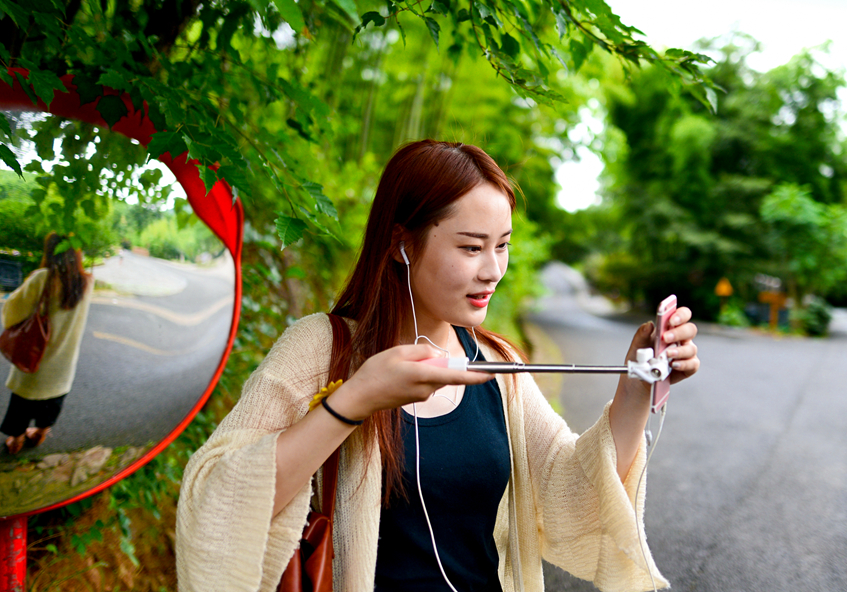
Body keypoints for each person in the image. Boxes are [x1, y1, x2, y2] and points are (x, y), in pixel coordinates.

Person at [176, 140, 701, 592]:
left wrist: (637, 384)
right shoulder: (322, 348)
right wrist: (355, 400)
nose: (492, 270)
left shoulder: (498, 366)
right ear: (404, 243)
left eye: (503, 246)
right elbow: (217, 499)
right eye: (471, 247)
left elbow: (574, 497)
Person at [1, 233, 95, 454]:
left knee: (21, 406)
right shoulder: (87, 282)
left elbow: (12, 314)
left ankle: (16, 441)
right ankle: (40, 434)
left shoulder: (42, 277)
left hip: (35, 361)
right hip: (63, 365)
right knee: (52, 405)